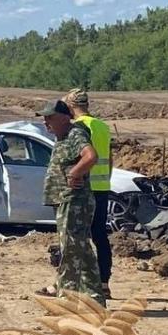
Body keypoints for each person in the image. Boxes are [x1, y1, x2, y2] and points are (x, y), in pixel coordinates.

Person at [35, 99, 104, 306]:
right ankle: (94, 300)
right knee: (82, 251)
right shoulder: (63, 137)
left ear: (65, 118)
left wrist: (75, 173)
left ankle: (66, 301)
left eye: (50, 118)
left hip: (75, 201)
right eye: (44, 118)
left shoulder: (75, 134)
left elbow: (90, 156)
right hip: (68, 201)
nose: (46, 122)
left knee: (70, 251)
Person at [65, 88, 114, 299]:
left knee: (77, 238)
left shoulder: (79, 127)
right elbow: (109, 159)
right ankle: (104, 283)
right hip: (102, 188)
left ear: (70, 105)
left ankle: (76, 285)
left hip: (84, 189)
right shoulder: (102, 126)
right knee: (100, 237)